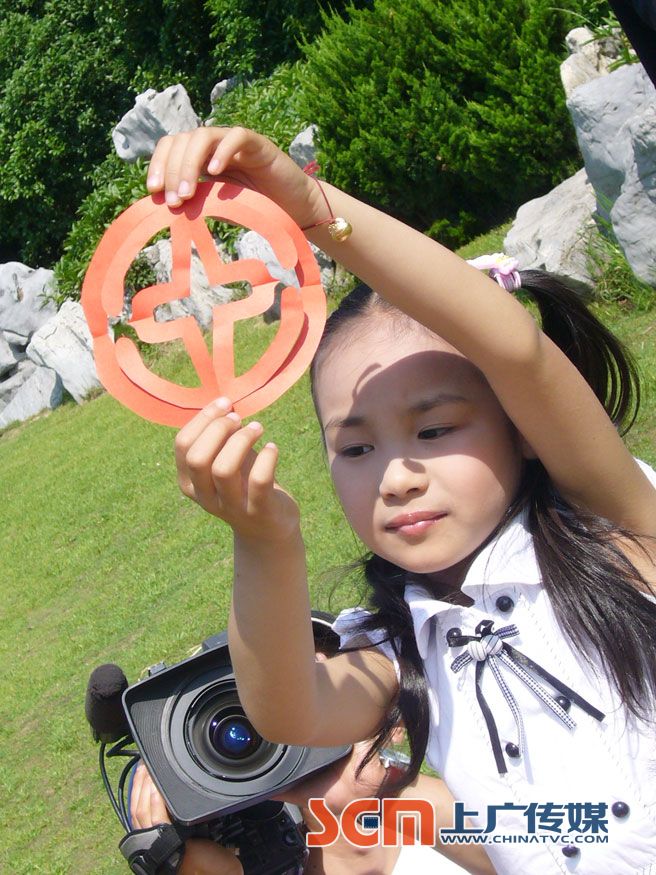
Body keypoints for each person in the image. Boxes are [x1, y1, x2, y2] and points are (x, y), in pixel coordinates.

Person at [147, 126, 656, 875]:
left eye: (435, 429)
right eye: (355, 449)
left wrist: (311, 206)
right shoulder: (401, 645)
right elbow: (289, 709)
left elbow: (514, 348)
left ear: (519, 426)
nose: (395, 478)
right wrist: (265, 540)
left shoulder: (613, 530)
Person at [130, 616, 493, 874]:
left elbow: (519, 845)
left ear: (394, 724)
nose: (290, 724)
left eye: (322, 689)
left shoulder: (462, 827)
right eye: (270, 711)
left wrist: (383, 794)